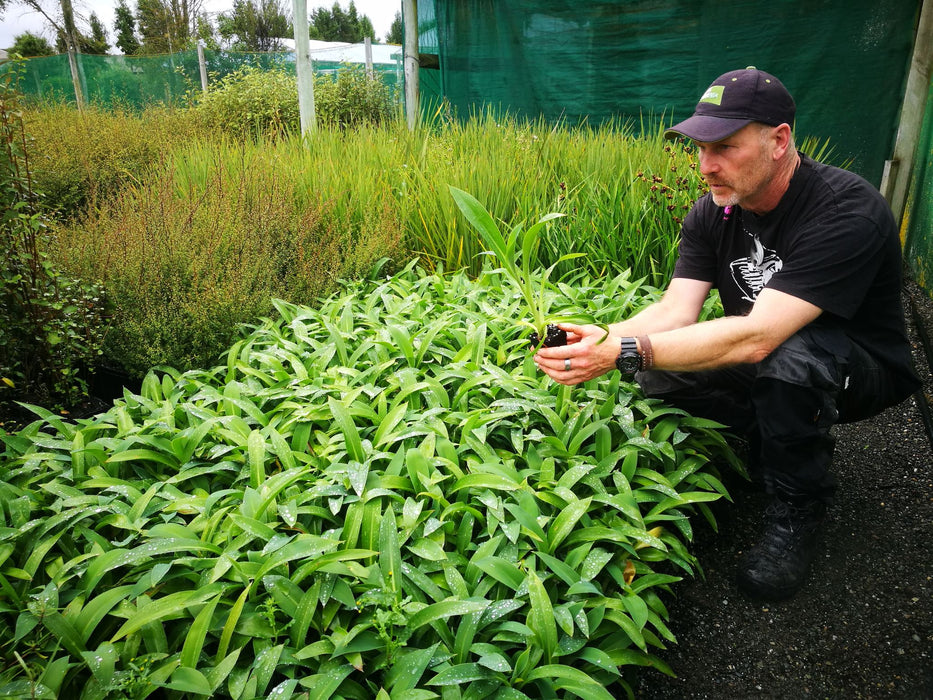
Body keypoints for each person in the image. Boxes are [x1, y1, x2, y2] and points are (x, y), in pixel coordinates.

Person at [534, 67, 921, 601]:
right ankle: (772, 439)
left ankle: (797, 510)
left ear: (779, 140)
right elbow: (675, 310)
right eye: (698, 147)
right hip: (775, 350)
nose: (706, 166)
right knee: (664, 373)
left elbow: (759, 336)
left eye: (724, 147)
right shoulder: (714, 213)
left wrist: (628, 352)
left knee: (790, 361)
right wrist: (600, 339)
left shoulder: (844, 210)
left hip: (862, 367)